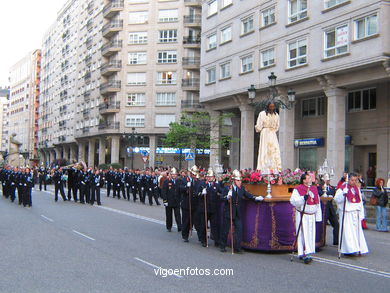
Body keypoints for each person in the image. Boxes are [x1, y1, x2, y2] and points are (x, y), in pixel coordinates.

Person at [220, 170, 263, 253]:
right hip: (229, 211)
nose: (239, 182)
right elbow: (222, 198)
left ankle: (238, 247)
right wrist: (227, 197)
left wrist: (255, 198)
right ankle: (223, 245)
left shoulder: (241, 189)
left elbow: (247, 195)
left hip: (237, 212)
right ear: (233, 181)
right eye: (238, 180)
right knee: (226, 229)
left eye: (240, 180)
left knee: (239, 229)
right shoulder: (227, 188)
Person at [290, 173, 322, 264]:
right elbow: (293, 201)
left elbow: (318, 202)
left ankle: (309, 251)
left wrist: (318, 216)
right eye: (308, 178)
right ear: (304, 180)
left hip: (311, 215)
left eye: (311, 178)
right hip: (303, 214)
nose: (310, 179)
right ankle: (305, 253)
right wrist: (303, 198)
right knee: (304, 234)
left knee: (310, 234)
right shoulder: (298, 189)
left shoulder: (314, 189)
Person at [334, 173, 369, 255]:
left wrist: (361, 214)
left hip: (355, 213)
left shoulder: (356, 189)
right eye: (352, 180)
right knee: (348, 232)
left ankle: (357, 248)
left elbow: (360, 202)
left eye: (355, 180)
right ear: (348, 180)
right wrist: (343, 195)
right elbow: (336, 199)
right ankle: (348, 250)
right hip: (347, 213)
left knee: (356, 232)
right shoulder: (343, 188)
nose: (354, 182)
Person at [197, 168, 222, 248]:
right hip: (204, 208)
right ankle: (204, 240)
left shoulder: (216, 185)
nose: (209, 178)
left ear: (214, 177)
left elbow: (221, 192)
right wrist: (201, 193)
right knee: (203, 225)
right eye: (208, 176)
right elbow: (197, 194)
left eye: (211, 177)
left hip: (213, 208)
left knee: (214, 225)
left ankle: (216, 240)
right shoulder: (202, 184)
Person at [255, 102, 281, 172]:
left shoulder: (276, 115)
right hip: (265, 133)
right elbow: (259, 126)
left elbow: (277, 126)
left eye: (273, 107)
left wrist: (272, 130)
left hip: (272, 133)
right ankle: (263, 167)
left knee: (274, 149)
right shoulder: (262, 114)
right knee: (264, 149)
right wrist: (260, 129)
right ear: (267, 107)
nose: (272, 108)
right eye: (270, 107)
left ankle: (275, 167)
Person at [317, 175, 339, 245]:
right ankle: (322, 241)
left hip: (330, 208)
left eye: (329, 179)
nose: (328, 181)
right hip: (323, 207)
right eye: (326, 179)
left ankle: (336, 241)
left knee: (336, 224)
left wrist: (327, 193)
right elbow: (320, 193)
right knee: (322, 225)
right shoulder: (319, 187)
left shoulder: (331, 187)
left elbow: (332, 194)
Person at [161, 168, 182, 232]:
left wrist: (181, 200)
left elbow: (180, 191)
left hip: (176, 201)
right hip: (169, 201)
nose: (174, 176)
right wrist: (165, 201)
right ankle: (169, 227)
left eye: (175, 174)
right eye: (172, 174)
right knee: (169, 215)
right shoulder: (167, 181)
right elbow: (164, 192)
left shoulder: (179, 181)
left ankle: (179, 227)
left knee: (178, 215)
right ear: (170, 174)